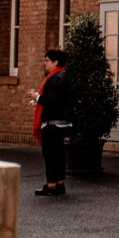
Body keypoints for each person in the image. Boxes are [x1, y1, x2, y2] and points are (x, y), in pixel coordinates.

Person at [31, 48, 72, 196]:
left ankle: (51, 184)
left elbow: (52, 99)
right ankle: (59, 183)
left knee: (49, 154)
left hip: (52, 122)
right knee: (58, 153)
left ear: (55, 62)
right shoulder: (63, 76)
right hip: (60, 121)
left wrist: (38, 98)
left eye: (47, 60)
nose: (44, 63)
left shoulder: (55, 78)